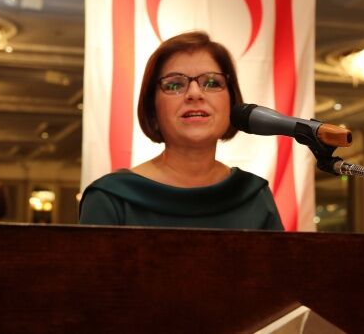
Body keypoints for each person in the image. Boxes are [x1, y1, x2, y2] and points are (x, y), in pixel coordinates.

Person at [80, 31, 283, 231]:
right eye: (174, 84)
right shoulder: (110, 199)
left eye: (212, 83)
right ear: (152, 109)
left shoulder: (254, 196)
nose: (194, 94)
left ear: (232, 102)